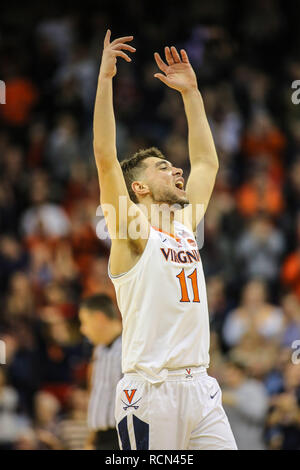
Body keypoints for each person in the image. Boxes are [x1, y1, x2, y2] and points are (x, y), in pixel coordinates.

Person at [92, 29, 237, 450]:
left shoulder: (186, 223)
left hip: (201, 387)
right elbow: (105, 160)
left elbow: (207, 162)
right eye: (163, 167)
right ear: (137, 187)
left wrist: (191, 94)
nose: (178, 171)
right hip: (151, 392)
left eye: (175, 165)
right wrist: (104, 82)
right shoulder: (132, 233)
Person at [79, 294, 122, 450]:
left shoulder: (130, 347)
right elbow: (96, 396)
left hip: (120, 436)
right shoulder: (99, 350)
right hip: (99, 437)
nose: (82, 329)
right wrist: (91, 439)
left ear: (99, 318)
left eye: (85, 322)